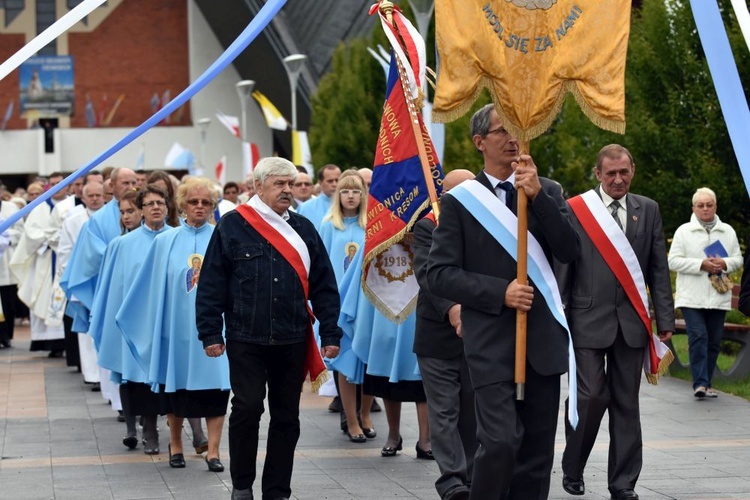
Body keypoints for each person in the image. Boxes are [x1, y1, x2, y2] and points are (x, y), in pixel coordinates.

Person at [426, 103, 580, 500]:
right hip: (491, 342)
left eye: (517, 129)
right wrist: (500, 292)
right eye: (501, 131)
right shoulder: (461, 203)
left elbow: (569, 250)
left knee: (536, 454)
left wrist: (538, 197)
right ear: (480, 142)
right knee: (500, 441)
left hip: (541, 342)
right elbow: (439, 274)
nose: (513, 138)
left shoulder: (546, 190)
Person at [196, 157, 342, 500]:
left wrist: (331, 332)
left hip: (292, 337)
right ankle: (242, 485)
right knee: (247, 408)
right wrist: (210, 332)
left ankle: (277, 490)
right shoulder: (232, 226)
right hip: (247, 336)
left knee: (287, 417)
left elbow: (324, 284)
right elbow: (212, 283)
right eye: (279, 184)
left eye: (290, 184)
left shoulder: (304, 229)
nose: (287, 191)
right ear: (258, 187)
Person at [559, 144, 675, 500]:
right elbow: (565, 263)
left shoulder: (648, 209)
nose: (618, 179)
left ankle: (623, 483)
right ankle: (574, 467)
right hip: (585, 318)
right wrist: (557, 312)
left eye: (624, 172)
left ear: (633, 170)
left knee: (627, 404)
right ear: (598, 174)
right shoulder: (577, 209)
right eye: (610, 173)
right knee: (591, 395)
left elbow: (658, 267)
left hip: (632, 323)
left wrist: (665, 321)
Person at [117, 177, 229, 472]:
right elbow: (149, 289)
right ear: (181, 206)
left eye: (206, 202)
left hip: (216, 333)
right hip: (175, 332)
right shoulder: (165, 242)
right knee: (175, 391)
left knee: (217, 389)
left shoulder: (224, 238)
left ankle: (214, 451)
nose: (200, 207)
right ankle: (176, 445)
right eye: (194, 202)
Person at [90, 184, 172, 454]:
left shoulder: (176, 238)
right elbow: (114, 287)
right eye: (149, 204)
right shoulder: (122, 245)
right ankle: (148, 430)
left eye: (160, 202)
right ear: (142, 210)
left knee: (173, 375)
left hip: (168, 321)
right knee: (135, 376)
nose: (156, 207)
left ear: (168, 205)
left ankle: (189, 431)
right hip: (134, 323)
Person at [413, 169, 477, 500]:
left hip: (479, 333)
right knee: (444, 410)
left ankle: (471, 473)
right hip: (438, 335)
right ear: (444, 196)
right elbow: (427, 274)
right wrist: (453, 310)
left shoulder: (486, 226)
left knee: (471, 409)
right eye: (459, 192)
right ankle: (452, 479)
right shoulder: (426, 227)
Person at [668, 187, 742, 398]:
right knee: (698, 337)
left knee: (713, 341)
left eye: (709, 204)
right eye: (700, 205)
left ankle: (707, 383)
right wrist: (701, 264)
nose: (705, 208)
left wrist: (724, 263)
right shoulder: (684, 231)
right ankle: (699, 384)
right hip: (692, 297)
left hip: (718, 297)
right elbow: (673, 261)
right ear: (694, 208)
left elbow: (738, 259)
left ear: (716, 206)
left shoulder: (727, 231)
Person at [318, 171, 372, 442]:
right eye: (345, 191)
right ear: (337, 195)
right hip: (338, 304)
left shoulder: (370, 224)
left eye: (356, 191)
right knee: (344, 359)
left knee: (368, 360)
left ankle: (366, 415)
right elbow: (320, 266)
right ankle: (350, 420)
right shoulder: (328, 226)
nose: (350, 196)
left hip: (367, 301)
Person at [10, 172, 70, 357]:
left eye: (59, 183)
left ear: (67, 185)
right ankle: (50, 342)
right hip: (46, 259)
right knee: (43, 296)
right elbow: (31, 233)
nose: (56, 187)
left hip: (66, 258)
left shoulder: (73, 205)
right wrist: (50, 239)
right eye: (52, 184)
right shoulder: (39, 206)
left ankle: (67, 340)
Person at [0, 196, 23, 349]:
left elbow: (20, 230)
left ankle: (7, 335)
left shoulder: (10, 208)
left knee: (8, 302)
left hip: (6, 258)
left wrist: (5, 236)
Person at [296, 164, 340, 229]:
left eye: (337, 180)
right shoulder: (305, 208)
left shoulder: (350, 206)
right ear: (320, 182)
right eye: (330, 181)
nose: (334, 184)